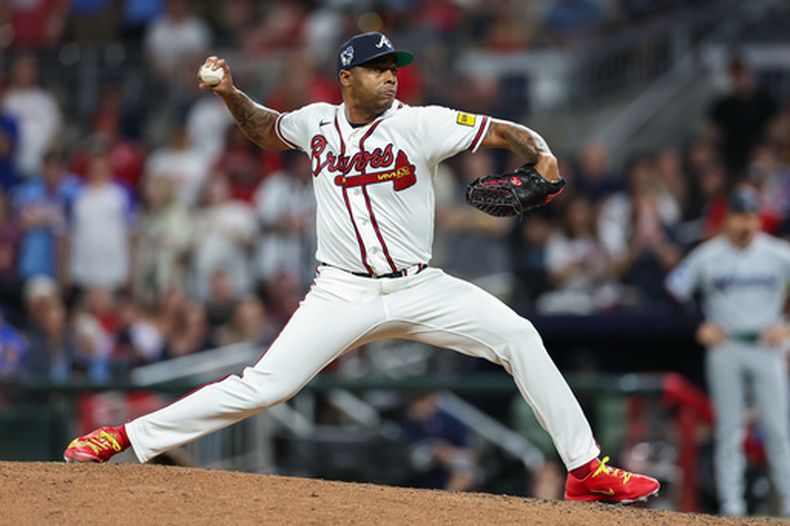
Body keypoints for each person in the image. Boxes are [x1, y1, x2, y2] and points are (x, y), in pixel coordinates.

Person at [63, 32, 659, 504]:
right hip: (341, 292)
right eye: (377, 68)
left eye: (393, 67)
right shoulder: (316, 122)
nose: (391, 75)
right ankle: (125, 436)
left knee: (519, 336)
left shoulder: (418, 123)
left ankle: (585, 469)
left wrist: (545, 157)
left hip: (420, 285)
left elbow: (505, 131)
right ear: (347, 77)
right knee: (265, 386)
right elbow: (267, 128)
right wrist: (229, 94)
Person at [665, 186, 790, 516]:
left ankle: (788, 505)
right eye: (739, 216)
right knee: (729, 430)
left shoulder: (777, 253)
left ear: (758, 219)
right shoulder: (708, 255)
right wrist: (698, 325)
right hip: (727, 346)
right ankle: (732, 509)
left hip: (766, 346)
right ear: (726, 219)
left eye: (751, 216)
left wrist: (787, 326)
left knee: (778, 431)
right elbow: (674, 290)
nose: (745, 223)